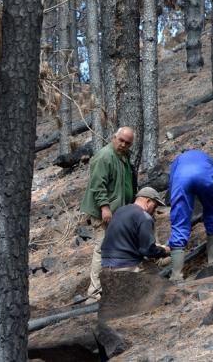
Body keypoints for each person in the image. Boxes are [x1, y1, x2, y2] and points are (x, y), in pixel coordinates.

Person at [80, 126, 136, 301]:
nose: (123, 145)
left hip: (119, 211)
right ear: (114, 137)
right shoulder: (105, 156)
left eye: (127, 143)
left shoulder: (124, 157)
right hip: (103, 212)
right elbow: (97, 185)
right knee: (102, 249)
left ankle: (116, 285)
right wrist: (104, 207)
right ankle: (94, 293)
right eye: (121, 140)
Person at [168, 149, 213, 281]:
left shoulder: (178, 161)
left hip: (182, 178)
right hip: (206, 176)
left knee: (179, 222)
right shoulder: (209, 159)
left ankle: (176, 275)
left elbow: (172, 186)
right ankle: (212, 262)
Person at [101, 187, 170, 270]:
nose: (154, 211)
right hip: (125, 263)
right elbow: (148, 251)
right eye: (154, 206)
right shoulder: (144, 217)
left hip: (105, 262)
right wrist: (165, 250)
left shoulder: (119, 211)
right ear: (148, 201)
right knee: (155, 273)